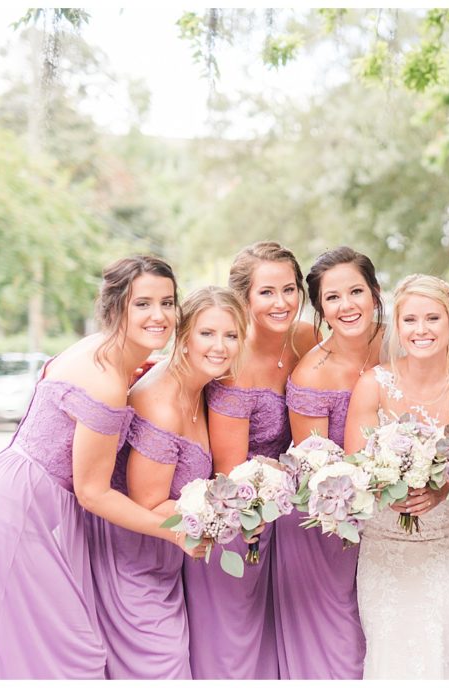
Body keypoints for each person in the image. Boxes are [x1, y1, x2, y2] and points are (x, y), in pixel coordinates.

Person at [0, 256, 204, 679]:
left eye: (168, 303)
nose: (160, 315)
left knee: (21, 658)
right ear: (117, 307)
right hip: (12, 516)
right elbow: (91, 492)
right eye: (143, 304)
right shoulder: (107, 382)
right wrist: (175, 531)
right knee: (70, 660)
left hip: (7, 495)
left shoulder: (98, 349)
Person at [344, 274, 449, 679]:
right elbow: (353, 468)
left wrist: (443, 488)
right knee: (385, 651)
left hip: (443, 549)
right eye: (410, 320)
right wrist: (385, 488)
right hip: (384, 548)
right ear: (397, 327)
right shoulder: (374, 385)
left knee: (434, 649)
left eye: (432, 318)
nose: (421, 330)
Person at [86, 286, 249, 678]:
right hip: (130, 559)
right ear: (185, 336)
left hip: (165, 559)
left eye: (231, 335)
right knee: (164, 667)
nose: (220, 346)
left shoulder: (203, 390)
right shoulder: (161, 404)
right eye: (207, 334)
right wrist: (219, 517)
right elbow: (147, 504)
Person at [183, 242, 317, 679]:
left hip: (290, 517)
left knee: (280, 635)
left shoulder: (308, 339)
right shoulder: (232, 367)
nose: (282, 303)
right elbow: (229, 469)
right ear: (244, 298)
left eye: (290, 289)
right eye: (267, 292)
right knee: (234, 642)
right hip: (241, 513)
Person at [275, 246, 383, 679]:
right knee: (343, 644)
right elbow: (317, 468)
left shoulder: (405, 345)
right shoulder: (311, 375)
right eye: (332, 298)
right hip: (332, 526)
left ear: (375, 292)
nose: (347, 305)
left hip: (403, 517)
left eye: (356, 291)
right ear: (320, 308)